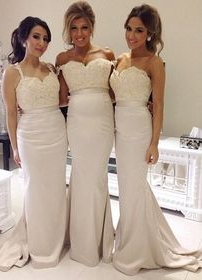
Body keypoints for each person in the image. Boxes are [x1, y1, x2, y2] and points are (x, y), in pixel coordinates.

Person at [110, 4, 202, 275]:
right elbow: (112, 96)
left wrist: (154, 143)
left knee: (135, 187)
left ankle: (136, 249)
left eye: (139, 30)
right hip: (119, 128)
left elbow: (159, 105)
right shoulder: (120, 60)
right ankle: (129, 240)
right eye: (129, 28)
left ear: (150, 34)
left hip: (139, 129)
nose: (132, 35)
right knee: (128, 189)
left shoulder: (154, 63)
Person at [0, 16, 68, 271]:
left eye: (45, 38)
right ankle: (40, 243)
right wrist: (15, 146)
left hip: (56, 131)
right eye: (36, 36)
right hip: (30, 134)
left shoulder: (53, 70)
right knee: (34, 188)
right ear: (24, 38)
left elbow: (63, 101)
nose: (42, 43)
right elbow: (11, 113)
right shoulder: (12, 73)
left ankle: (57, 236)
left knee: (55, 187)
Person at [56, 1, 115, 266]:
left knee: (97, 178)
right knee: (80, 175)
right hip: (77, 122)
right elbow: (60, 97)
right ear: (68, 30)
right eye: (74, 28)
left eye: (84, 27)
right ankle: (81, 242)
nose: (79, 33)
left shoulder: (107, 54)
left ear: (92, 28)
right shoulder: (62, 59)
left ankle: (100, 241)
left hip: (103, 121)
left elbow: (116, 92)